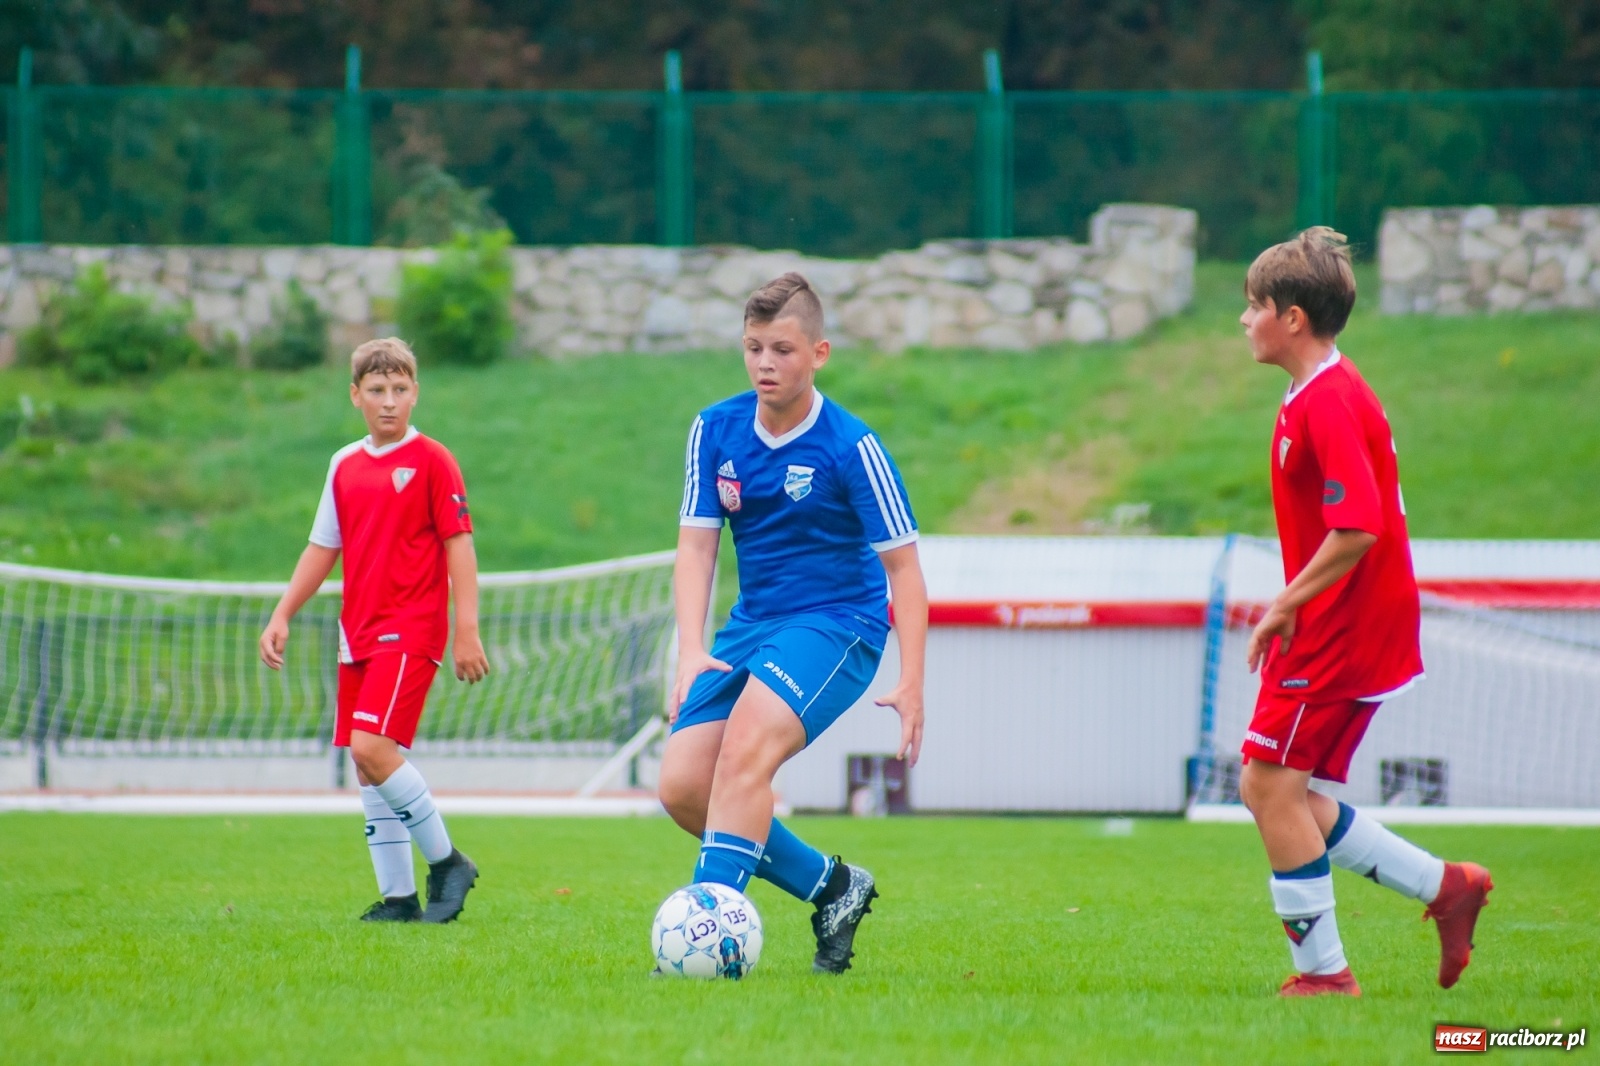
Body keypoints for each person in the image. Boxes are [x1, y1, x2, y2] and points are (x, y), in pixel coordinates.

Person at [1237, 228, 1492, 997]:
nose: (1243, 319)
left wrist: (1286, 603)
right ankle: (1446, 886)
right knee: (1288, 791)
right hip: (1342, 623)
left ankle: (1324, 976)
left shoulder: (1331, 402)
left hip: (1339, 629)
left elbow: (1360, 526)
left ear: (1291, 318)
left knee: (1265, 787)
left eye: (1253, 305)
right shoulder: (1313, 394)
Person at [660, 272, 928, 974]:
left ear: (819, 353)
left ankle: (704, 944)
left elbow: (905, 571)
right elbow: (696, 546)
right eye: (753, 348)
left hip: (838, 626)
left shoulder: (851, 447)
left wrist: (913, 681)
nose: (764, 364)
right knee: (684, 787)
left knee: (745, 755)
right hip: (753, 623)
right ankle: (835, 888)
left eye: (782, 348)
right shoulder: (714, 429)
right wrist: (690, 649)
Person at [259, 337, 488, 924]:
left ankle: (448, 863)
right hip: (355, 633)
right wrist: (282, 612)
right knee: (366, 765)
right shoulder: (344, 464)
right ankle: (399, 900)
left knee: (372, 747)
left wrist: (468, 629)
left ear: (416, 393)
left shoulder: (434, 460)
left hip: (410, 629)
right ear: (356, 395)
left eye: (401, 389)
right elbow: (322, 547)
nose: (390, 401)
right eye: (378, 391)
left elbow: (459, 544)